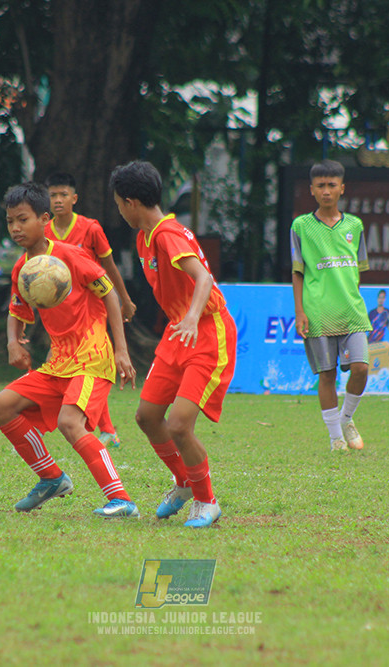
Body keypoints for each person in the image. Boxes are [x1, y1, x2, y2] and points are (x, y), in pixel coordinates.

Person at [0, 182, 139, 518]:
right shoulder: (22, 269)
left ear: (44, 219)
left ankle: (122, 500)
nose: (15, 228)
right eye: (10, 220)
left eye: (22, 219)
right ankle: (51, 478)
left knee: (71, 422)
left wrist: (121, 350)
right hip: (58, 361)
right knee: (2, 406)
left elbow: (109, 294)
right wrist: (13, 342)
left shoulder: (71, 255)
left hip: (92, 355)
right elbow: (17, 311)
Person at [110, 160, 236, 528]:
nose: (119, 210)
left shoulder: (168, 235)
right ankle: (183, 482)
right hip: (178, 332)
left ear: (131, 202)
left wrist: (194, 316)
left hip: (207, 332)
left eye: (119, 203)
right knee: (147, 416)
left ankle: (206, 500)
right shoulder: (144, 236)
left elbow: (202, 279)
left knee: (180, 425)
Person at [45, 172, 136, 448]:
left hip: (93, 307)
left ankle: (101, 428)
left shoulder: (90, 228)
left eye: (63, 195)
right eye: (53, 195)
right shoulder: (44, 231)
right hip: (62, 312)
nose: (58, 200)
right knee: (69, 365)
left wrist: (125, 299)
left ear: (74, 198)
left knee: (85, 364)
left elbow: (109, 267)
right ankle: (107, 429)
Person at [291, 160, 371, 453]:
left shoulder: (355, 225)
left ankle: (347, 418)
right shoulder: (301, 226)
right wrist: (300, 312)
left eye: (332, 185)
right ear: (312, 190)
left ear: (342, 188)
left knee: (361, 368)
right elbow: (297, 271)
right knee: (327, 375)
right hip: (318, 312)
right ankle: (335, 437)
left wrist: (352, 297)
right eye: (321, 186)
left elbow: (358, 271)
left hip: (352, 312)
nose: (327, 191)